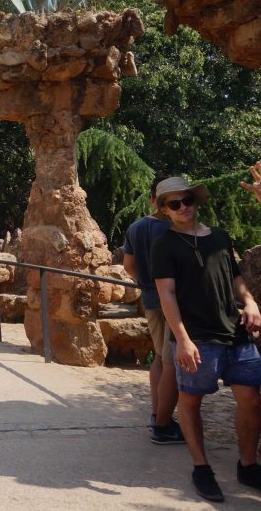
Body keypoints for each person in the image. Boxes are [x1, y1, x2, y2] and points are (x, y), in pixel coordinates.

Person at [152, 176, 261, 502]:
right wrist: (182, 340)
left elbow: (236, 278)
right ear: (165, 210)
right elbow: (166, 295)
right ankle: (201, 467)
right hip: (196, 338)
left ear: (196, 201)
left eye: (187, 200)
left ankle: (248, 465)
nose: (183, 207)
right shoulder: (165, 245)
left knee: (252, 398)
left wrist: (251, 301)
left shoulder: (219, 237)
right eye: (175, 203)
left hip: (235, 333)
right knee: (191, 400)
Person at [122, 173, 183, 445]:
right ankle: (163, 424)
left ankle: (158, 412)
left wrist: (144, 284)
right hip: (176, 301)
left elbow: (128, 266)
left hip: (149, 298)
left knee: (159, 356)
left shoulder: (136, 228)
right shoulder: (177, 227)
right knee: (173, 361)